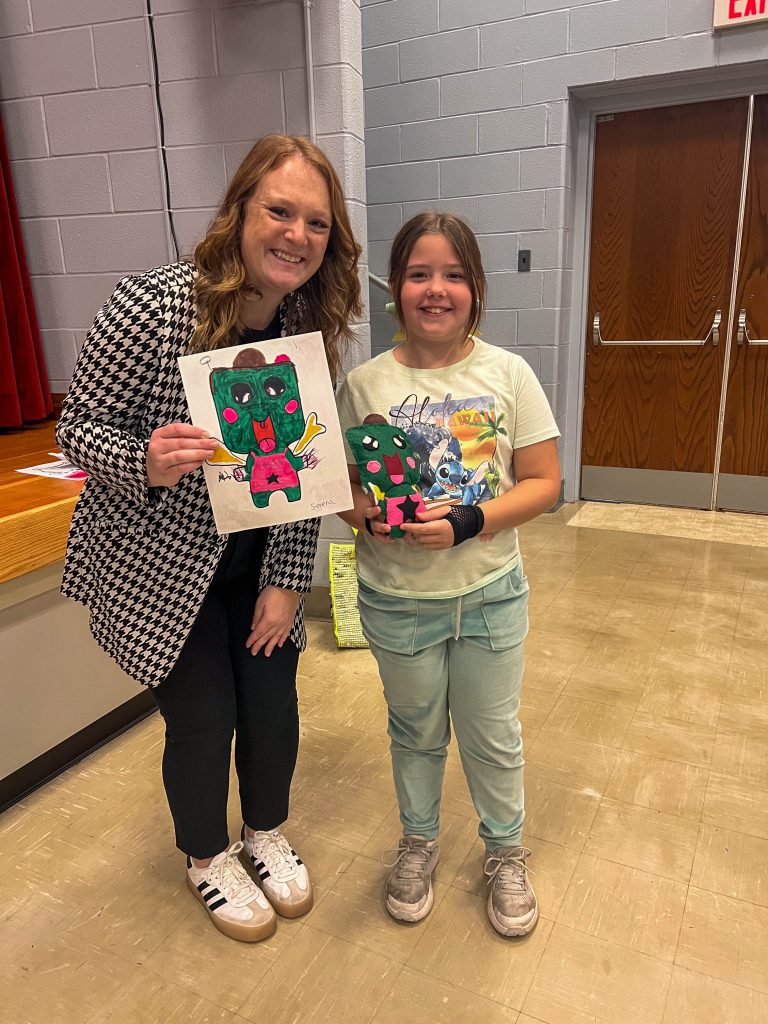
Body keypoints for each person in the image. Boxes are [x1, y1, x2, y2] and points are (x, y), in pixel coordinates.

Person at [56, 135, 362, 943]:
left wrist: (289, 578)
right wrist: (143, 460)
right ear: (240, 212)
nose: (297, 235)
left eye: (317, 223)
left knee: (272, 704)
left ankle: (264, 831)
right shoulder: (153, 306)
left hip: (258, 562)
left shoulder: (306, 328)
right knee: (204, 717)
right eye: (280, 211)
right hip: (160, 564)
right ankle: (205, 857)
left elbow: (309, 470)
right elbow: (76, 428)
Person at [336, 212, 560, 937]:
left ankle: (504, 851)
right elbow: (338, 486)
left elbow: (543, 481)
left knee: (493, 733)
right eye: (420, 274)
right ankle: (420, 840)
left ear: (476, 288)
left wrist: (470, 522)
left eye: (454, 275)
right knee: (414, 731)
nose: (437, 289)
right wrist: (368, 518)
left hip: (491, 595)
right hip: (398, 601)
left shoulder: (507, 373)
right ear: (395, 288)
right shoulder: (363, 384)